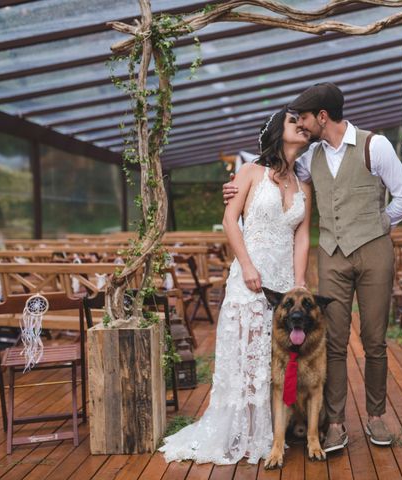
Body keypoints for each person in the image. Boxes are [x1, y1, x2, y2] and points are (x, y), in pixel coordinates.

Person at [223, 83, 402, 453]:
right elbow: (274, 175)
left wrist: (379, 223)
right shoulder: (309, 157)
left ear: (322, 117)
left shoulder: (374, 146)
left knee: (375, 340)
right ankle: (335, 423)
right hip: (332, 253)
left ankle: (376, 416)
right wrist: (232, 189)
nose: (301, 123)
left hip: (375, 251)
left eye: (304, 117)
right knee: (334, 341)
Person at [160, 106, 312, 465]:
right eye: (294, 122)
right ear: (278, 131)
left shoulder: (304, 184)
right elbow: (230, 220)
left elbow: (303, 237)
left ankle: (272, 431)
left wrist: (300, 284)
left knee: (273, 357)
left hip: (284, 284)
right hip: (250, 275)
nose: (302, 127)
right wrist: (246, 265)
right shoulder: (249, 172)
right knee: (246, 354)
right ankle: (240, 431)